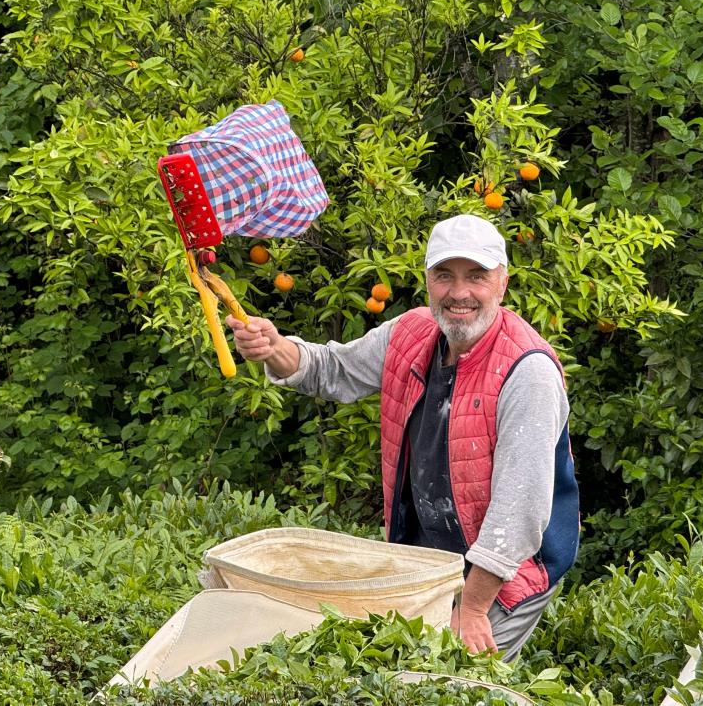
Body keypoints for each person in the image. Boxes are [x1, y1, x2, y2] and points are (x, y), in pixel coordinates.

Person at [226, 214, 579, 661]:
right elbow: (333, 370)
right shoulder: (410, 333)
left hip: (507, 570)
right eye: (444, 275)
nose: (459, 292)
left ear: (502, 283)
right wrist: (275, 349)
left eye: (476, 276)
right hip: (425, 561)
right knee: (386, 675)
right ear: (427, 280)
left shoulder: (527, 372)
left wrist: (472, 608)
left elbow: (519, 513)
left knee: (449, 681)